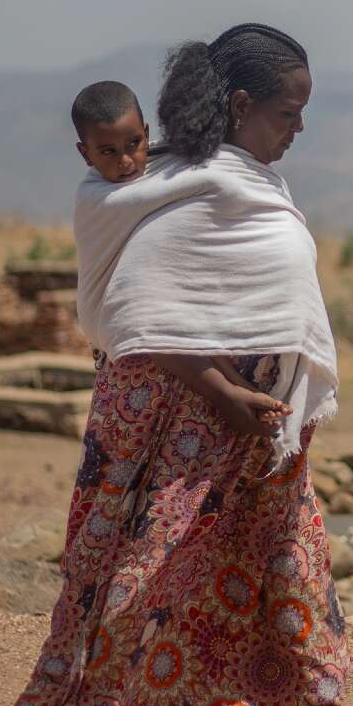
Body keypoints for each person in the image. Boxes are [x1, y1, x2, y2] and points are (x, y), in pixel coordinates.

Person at [0, 25, 353, 706]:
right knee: (125, 575)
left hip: (255, 430)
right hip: (172, 424)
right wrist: (221, 391)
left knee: (293, 562)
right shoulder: (178, 187)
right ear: (242, 105)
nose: (301, 127)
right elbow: (135, 316)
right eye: (290, 111)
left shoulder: (235, 178)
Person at [70, 79, 289, 438]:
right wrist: (220, 176)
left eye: (134, 144)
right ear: (85, 154)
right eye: (107, 152)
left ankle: (241, 390)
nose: (126, 161)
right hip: (126, 338)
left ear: (146, 133)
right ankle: (231, 392)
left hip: (171, 330)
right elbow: (188, 184)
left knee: (184, 324)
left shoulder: (157, 171)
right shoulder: (97, 198)